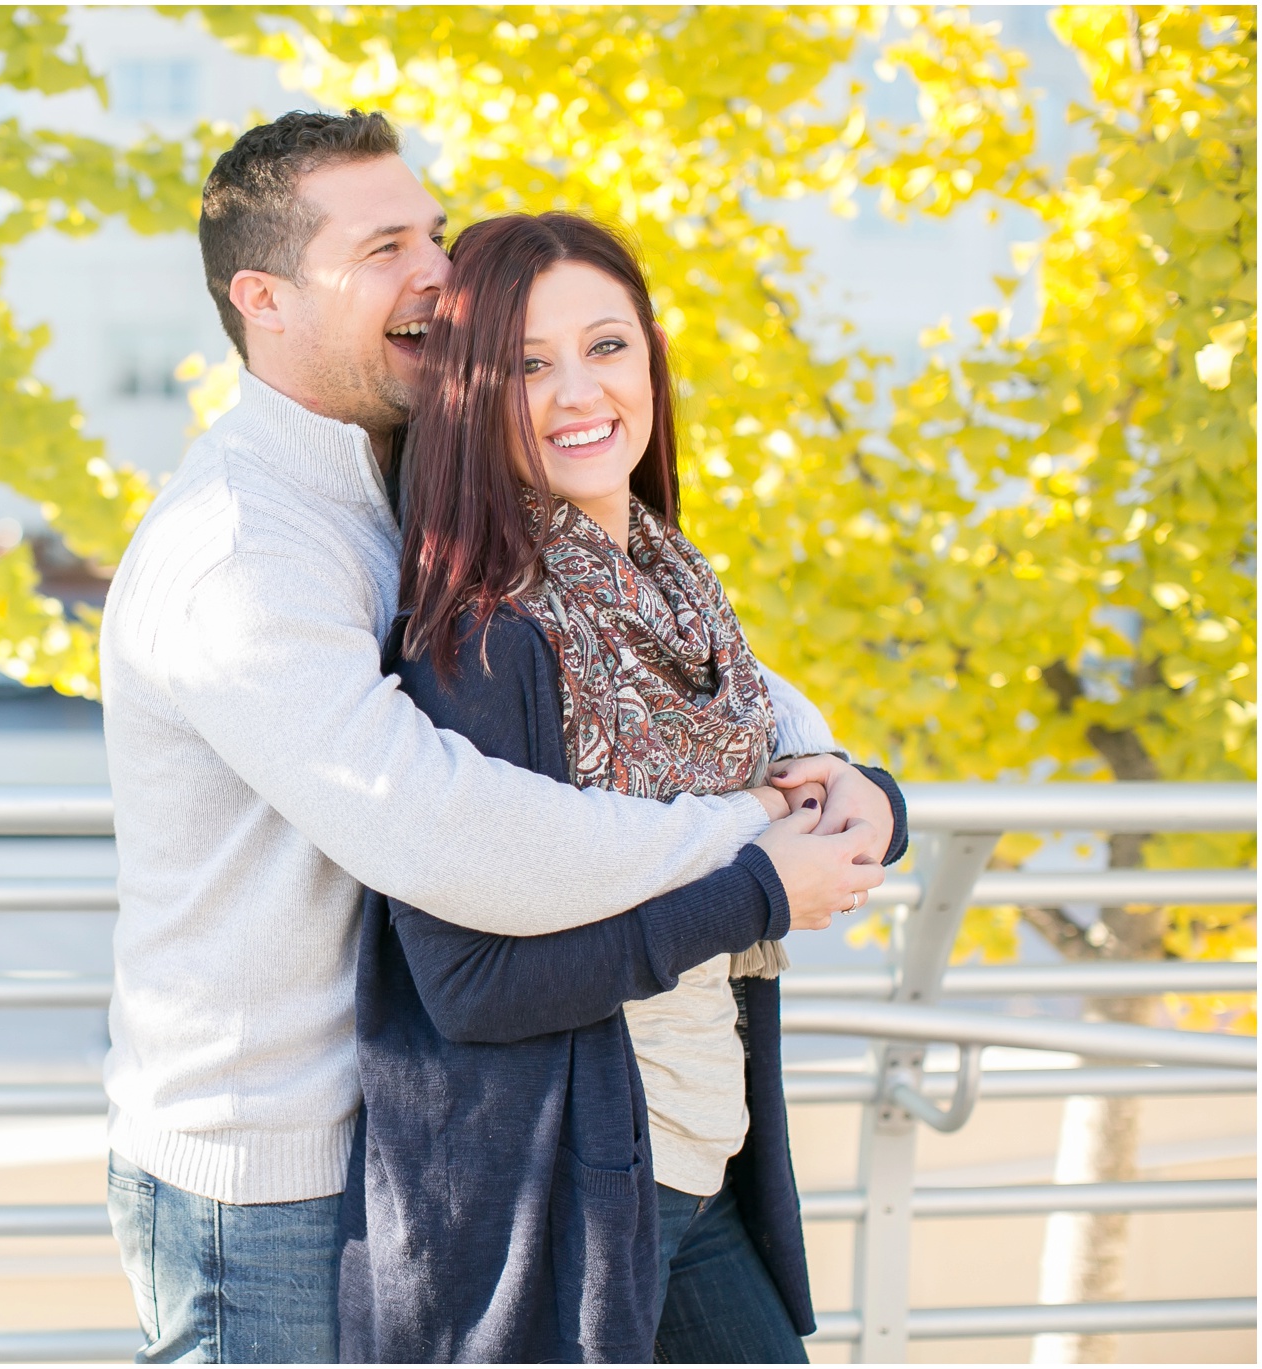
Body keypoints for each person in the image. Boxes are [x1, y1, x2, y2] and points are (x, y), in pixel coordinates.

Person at [99, 110, 891, 1363]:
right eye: (380, 249)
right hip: (266, 1164)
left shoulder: (407, 471)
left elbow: (662, 660)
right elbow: (444, 829)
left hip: (423, 1126)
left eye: (433, 229)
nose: (433, 271)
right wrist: (752, 849)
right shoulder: (242, 549)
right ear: (263, 297)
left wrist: (832, 768)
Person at [337, 211, 909, 1363]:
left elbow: (776, 763)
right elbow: (470, 986)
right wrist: (755, 893)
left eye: (605, 347)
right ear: (464, 397)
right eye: (525, 366)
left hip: (688, 1160)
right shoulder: (487, 637)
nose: (575, 393)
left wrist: (874, 797)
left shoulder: (668, 587)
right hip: (564, 1196)